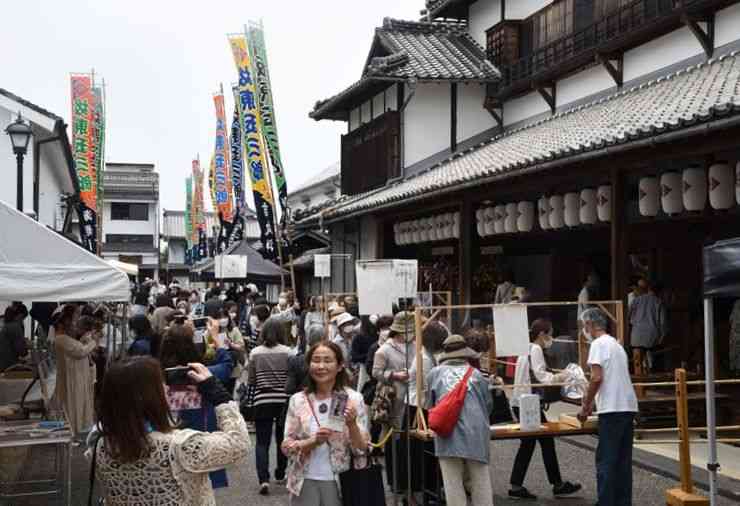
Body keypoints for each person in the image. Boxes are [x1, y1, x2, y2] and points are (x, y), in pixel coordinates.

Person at [91, 357, 251, 505]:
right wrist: (217, 393)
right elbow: (239, 443)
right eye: (161, 383)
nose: (167, 387)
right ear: (148, 396)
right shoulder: (180, 447)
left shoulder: (100, 446)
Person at [282, 341, 370, 505]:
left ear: (339, 366)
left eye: (328, 360)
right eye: (316, 360)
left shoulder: (353, 399)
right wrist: (312, 441)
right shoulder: (298, 400)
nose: (321, 366)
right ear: (309, 365)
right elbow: (287, 447)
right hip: (303, 481)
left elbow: (362, 448)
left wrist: (352, 425)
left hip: (341, 482)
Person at [509, 319, 582, 499]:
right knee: (533, 443)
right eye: (549, 333)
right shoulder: (535, 349)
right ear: (542, 334)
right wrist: (563, 376)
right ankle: (519, 487)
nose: (551, 338)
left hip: (522, 401)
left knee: (540, 442)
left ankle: (552, 484)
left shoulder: (524, 348)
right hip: (530, 403)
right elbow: (542, 377)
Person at [160, 318, 234, 489]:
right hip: (200, 444)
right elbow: (227, 363)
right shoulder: (202, 374)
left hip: (167, 446)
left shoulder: (155, 375)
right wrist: (217, 336)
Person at [578, 308, 638, 506]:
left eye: (583, 325)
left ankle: (606, 502)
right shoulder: (616, 345)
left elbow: (596, 377)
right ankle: (622, 502)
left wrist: (586, 404)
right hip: (628, 406)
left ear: (589, 325)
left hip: (612, 409)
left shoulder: (598, 344)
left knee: (606, 460)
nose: (583, 330)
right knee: (623, 461)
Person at [427, 334, 494, 506]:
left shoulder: (434, 374)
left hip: (447, 432)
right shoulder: (477, 375)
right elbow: (488, 405)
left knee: (452, 483)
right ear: (466, 353)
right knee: (480, 481)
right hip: (476, 432)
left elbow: (429, 404)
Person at [372, 311, 416, 496]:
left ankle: (411, 480)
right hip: (394, 399)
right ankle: (395, 481)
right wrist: (394, 374)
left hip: (413, 397)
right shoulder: (384, 350)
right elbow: (376, 373)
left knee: (411, 439)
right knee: (394, 441)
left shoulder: (415, 345)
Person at [249, 317, 293, 495]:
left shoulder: (255, 353)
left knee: (261, 442)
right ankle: (280, 473)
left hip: (262, 399)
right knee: (283, 438)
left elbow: (251, 380)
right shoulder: (289, 352)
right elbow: (292, 377)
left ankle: (263, 479)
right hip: (283, 399)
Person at [406, 320, 447, 502]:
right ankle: (427, 490)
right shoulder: (425, 359)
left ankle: (428, 489)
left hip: (419, 405)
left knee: (424, 454)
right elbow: (429, 386)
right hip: (419, 407)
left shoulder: (425, 355)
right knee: (424, 454)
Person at [51, 305, 98, 438]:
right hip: (71, 376)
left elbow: (78, 348)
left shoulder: (65, 338)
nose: (76, 322)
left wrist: (86, 341)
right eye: (74, 318)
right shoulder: (61, 339)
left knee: (75, 402)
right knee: (72, 402)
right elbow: (80, 352)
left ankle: (74, 432)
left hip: (76, 375)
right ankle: (71, 433)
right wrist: (93, 342)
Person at [628, 280, 667, 374]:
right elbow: (662, 323)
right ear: (660, 292)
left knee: (637, 361)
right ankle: (651, 378)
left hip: (636, 336)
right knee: (652, 360)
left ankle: (639, 382)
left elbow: (630, 317)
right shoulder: (658, 302)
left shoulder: (636, 300)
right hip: (652, 338)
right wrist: (662, 337)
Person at [287, 325, 325, 396]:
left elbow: (289, 388)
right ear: (324, 339)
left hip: (301, 401)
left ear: (308, 340)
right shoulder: (329, 362)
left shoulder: (295, 360)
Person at [221, 304, 247, 394]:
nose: (223, 319)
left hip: (233, 366)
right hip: (218, 366)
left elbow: (242, 347)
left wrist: (231, 344)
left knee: (229, 390)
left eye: (225, 317)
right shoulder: (212, 332)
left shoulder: (234, 330)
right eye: (220, 317)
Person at [0, 305, 28, 371]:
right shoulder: (14, 327)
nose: (22, 321)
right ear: (19, 315)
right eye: (22, 318)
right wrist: (26, 347)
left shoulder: (6, 325)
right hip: (8, 365)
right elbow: (21, 350)